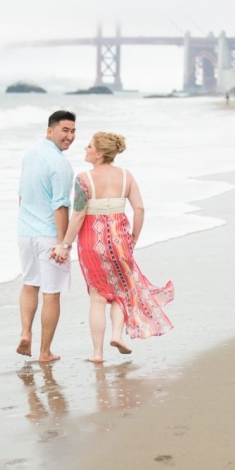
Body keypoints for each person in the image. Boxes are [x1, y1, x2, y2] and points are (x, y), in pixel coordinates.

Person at [51, 132, 174, 363]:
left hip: (91, 243)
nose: (85, 149)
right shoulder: (126, 177)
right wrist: (134, 239)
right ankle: (117, 335)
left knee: (97, 299)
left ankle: (97, 354)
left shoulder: (83, 179)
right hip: (120, 241)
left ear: (99, 153)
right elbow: (139, 210)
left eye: (88, 146)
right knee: (121, 292)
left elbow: (77, 216)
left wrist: (65, 245)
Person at [16, 110, 76, 362]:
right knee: (52, 293)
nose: (70, 137)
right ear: (49, 131)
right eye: (65, 130)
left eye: (73, 131)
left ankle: (26, 333)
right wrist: (64, 242)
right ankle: (44, 352)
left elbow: (21, 195)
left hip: (25, 232)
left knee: (30, 284)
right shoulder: (61, 164)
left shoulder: (30, 155)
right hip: (49, 236)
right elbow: (60, 206)